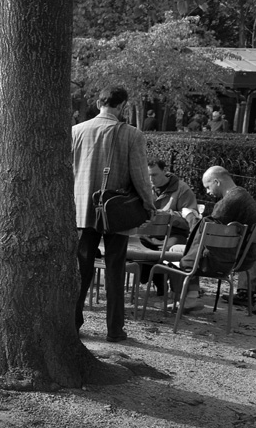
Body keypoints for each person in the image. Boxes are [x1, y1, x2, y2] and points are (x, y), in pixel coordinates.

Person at [73, 86, 155, 343]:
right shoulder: (132, 135)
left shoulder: (76, 131)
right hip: (116, 211)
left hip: (83, 209)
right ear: (123, 106)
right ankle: (114, 329)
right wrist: (149, 203)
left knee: (81, 269)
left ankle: (73, 322)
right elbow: (141, 175)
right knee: (115, 269)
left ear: (99, 102)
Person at [171, 167, 256, 312]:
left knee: (175, 250)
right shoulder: (245, 197)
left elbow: (204, 233)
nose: (207, 192)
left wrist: (189, 216)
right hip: (243, 258)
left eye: (208, 187)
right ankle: (190, 296)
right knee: (189, 250)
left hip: (222, 260)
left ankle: (187, 299)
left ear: (217, 182)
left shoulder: (229, 202)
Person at [137, 159, 200, 296]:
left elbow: (190, 218)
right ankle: (157, 281)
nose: (150, 179)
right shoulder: (143, 187)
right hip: (148, 233)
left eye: (154, 175)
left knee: (167, 250)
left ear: (165, 172)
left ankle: (175, 290)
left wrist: (167, 216)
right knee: (134, 247)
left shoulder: (182, 189)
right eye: (147, 175)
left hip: (173, 233)